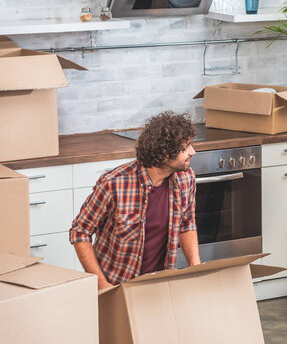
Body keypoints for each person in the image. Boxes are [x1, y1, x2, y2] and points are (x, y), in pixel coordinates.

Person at [70, 111, 201, 290]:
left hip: (160, 285)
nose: (192, 152)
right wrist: (101, 284)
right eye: (185, 148)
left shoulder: (186, 179)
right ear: (164, 153)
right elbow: (80, 231)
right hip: (117, 286)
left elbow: (186, 224)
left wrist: (197, 269)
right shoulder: (114, 183)